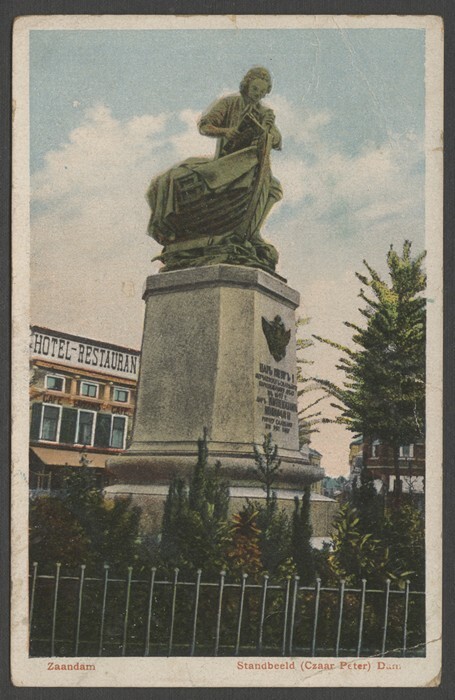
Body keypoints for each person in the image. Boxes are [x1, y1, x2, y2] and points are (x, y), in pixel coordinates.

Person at [147, 67, 282, 272]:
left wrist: (269, 127)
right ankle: (236, 229)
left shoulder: (264, 113)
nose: (257, 94)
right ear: (247, 85)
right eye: (255, 88)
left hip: (251, 163)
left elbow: (277, 141)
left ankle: (252, 230)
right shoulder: (229, 103)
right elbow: (205, 126)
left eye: (262, 92)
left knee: (274, 188)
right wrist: (227, 132)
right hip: (226, 162)